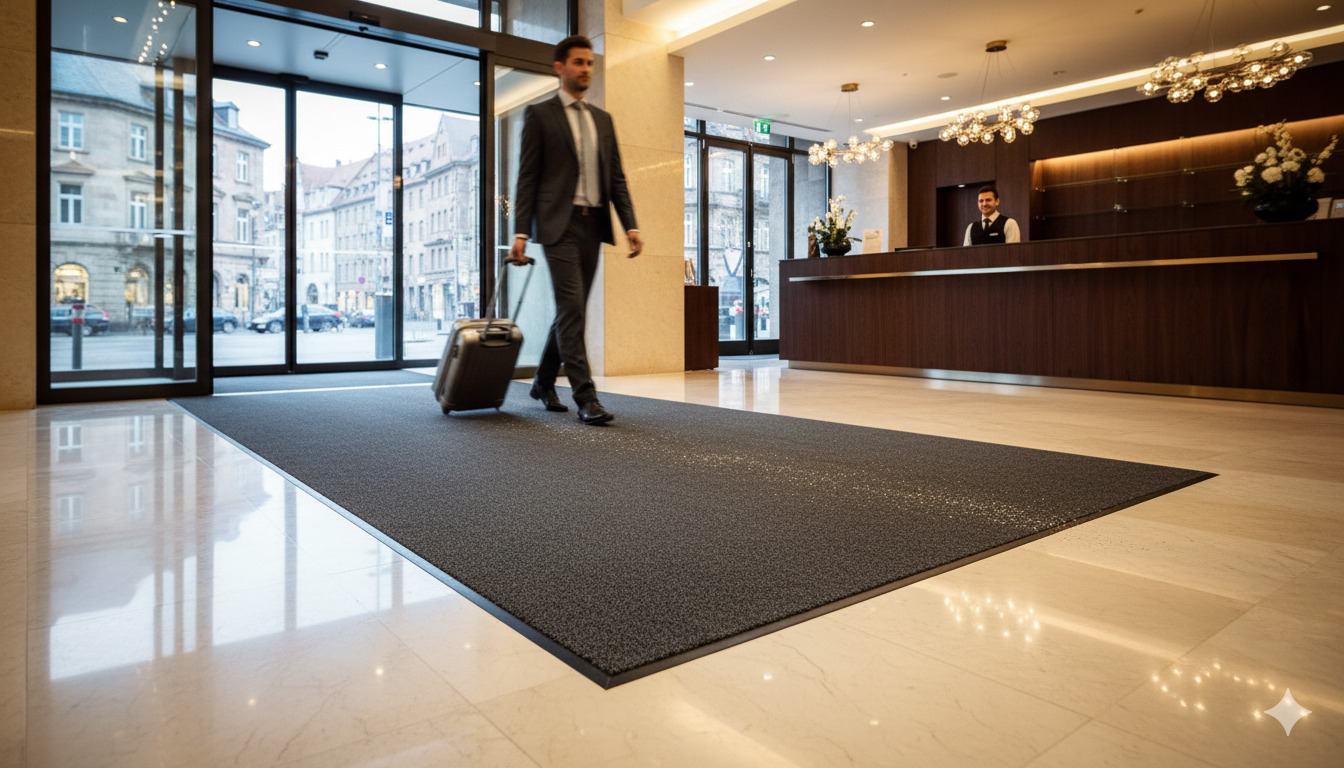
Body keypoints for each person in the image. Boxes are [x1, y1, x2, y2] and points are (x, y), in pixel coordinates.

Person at [506, 34, 643, 426]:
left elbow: (616, 177)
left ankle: (543, 381)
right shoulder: (540, 114)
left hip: (593, 224)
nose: (586, 69)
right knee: (571, 308)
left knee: (574, 310)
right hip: (557, 226)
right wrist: (520, 232)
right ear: (560, 68)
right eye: (579, 62)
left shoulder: (603, 120)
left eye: (590, 63)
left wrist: (629, 223)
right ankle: (586, 397)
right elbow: (526, 178)